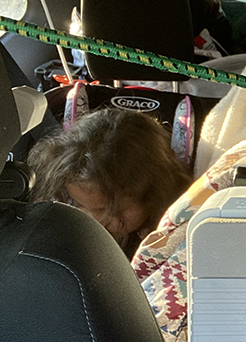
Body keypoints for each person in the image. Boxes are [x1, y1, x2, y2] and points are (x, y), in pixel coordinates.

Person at [28, 107, 191, 255]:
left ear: (154, 196)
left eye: (115, 212)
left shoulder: (178, 230)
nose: (97, 221)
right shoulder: (58, 205)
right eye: (79, 204)